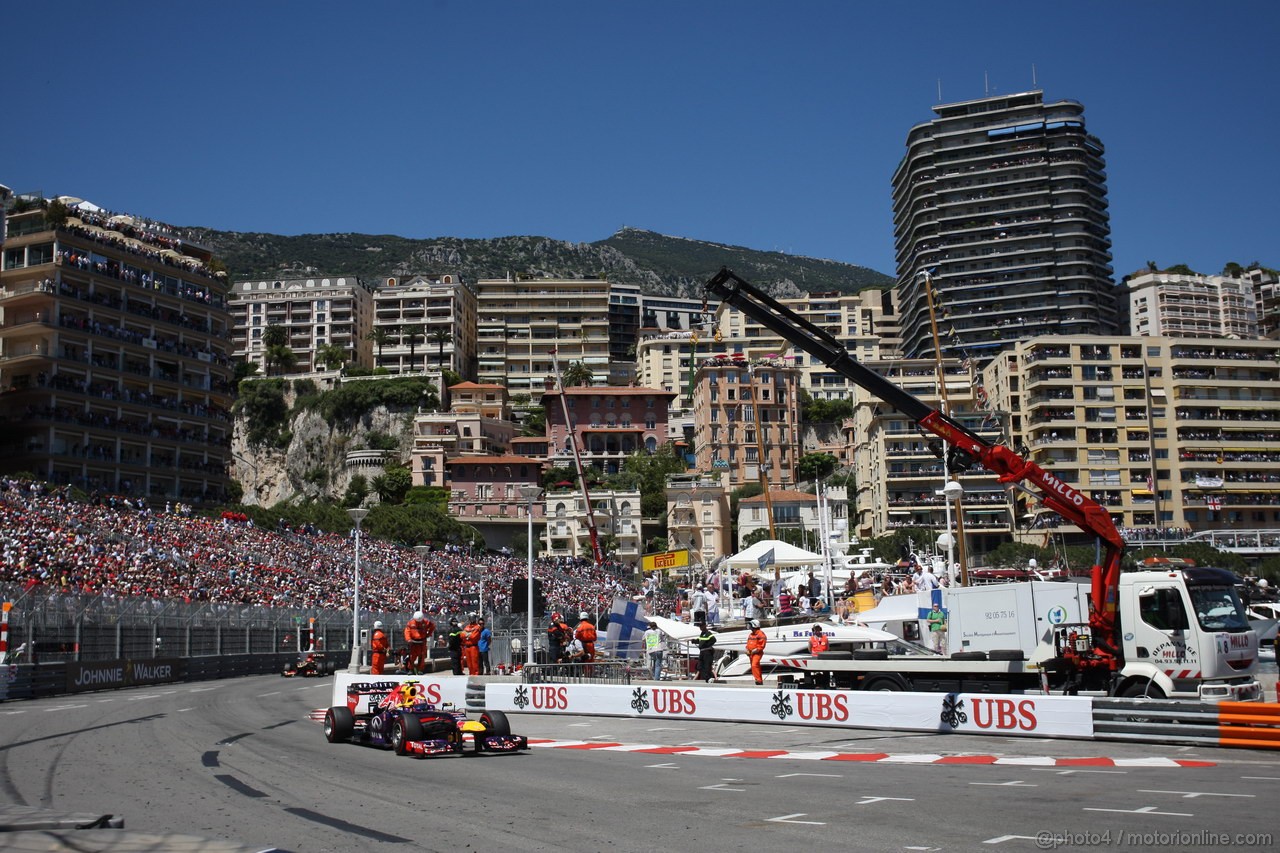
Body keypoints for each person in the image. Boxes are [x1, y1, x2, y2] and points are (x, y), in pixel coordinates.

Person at [404, 610, 434, 675]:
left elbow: (432, 627)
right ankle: (411, 669)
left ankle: (420, 670)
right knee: (412, 657)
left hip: (422, 642)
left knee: (422, 656)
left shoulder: (426, 622)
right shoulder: (410, 623)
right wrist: (408, 639)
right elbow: (407, 631)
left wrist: (429, 634)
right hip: (413, 642)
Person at [745, 620, 767, 685]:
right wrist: (747, 650)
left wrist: (753, 651)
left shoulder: (760, 634)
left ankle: (758, 680)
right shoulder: (751, 634)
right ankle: (758, 680)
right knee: (754, 666)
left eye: (750, 625)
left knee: (754, 665)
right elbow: (748, 644)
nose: (749, 627)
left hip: (757, 653)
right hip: (751, 653)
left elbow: (761, 645)